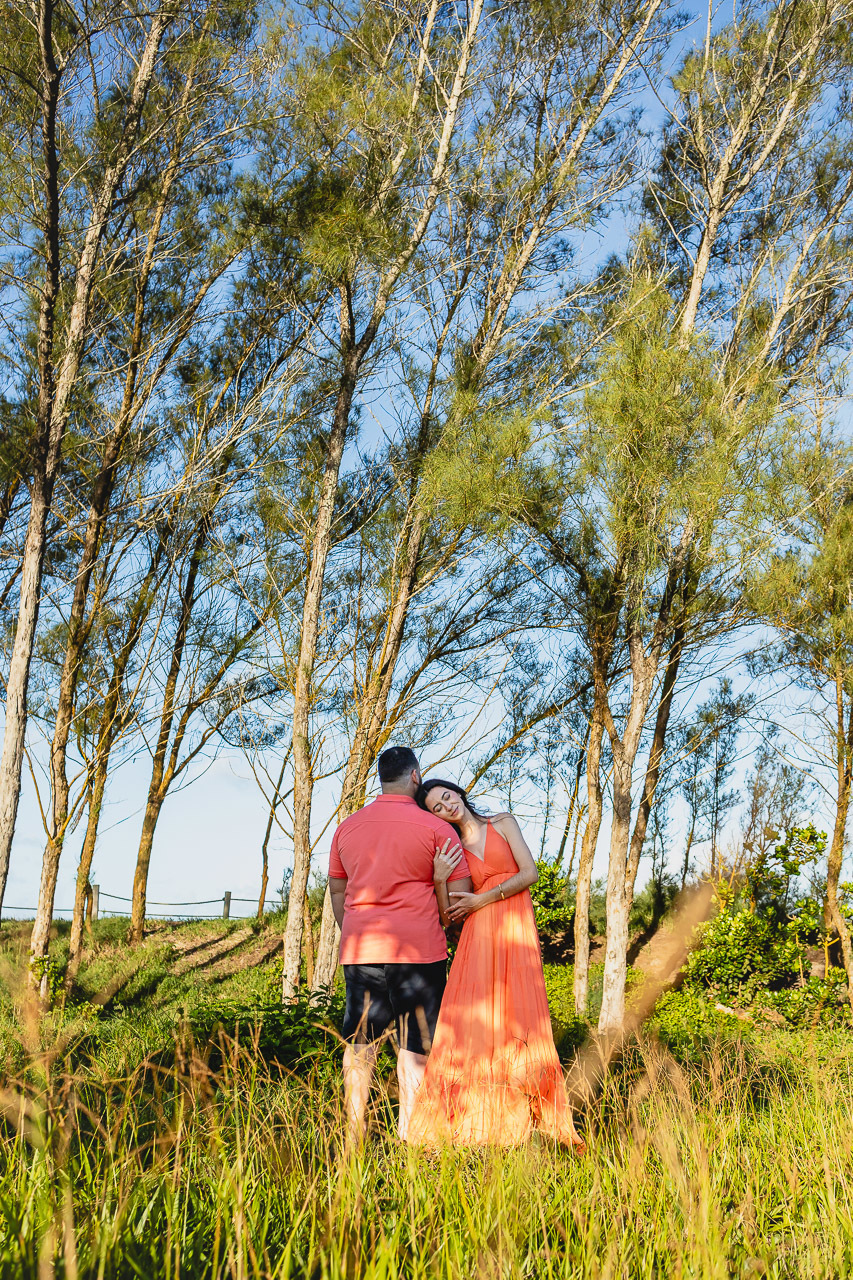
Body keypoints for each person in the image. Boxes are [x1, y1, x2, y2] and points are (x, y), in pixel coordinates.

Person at [407, 778, 585, 1150]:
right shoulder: (452, 847)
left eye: (446, 797)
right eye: (436, 808)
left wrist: (482, 898)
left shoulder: (502, 822)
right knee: (477, 1023)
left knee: (519, 1018)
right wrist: (440, 879)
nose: (445, 807)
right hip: (478, 940)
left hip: (515, 932)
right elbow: (449, 915)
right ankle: (476, 1119)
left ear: (457, 792)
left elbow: (529, 873)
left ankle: (528, 1114)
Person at [328, 746, 471, 1142]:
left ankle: (353, 1134)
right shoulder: (438, 829)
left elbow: (338, 893)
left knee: (360, 1044)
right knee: (414, 1045)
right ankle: (410, 1134)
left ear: (380, 778)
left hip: (361, 950)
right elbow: (457, 902)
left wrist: (354, 929)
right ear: (415, 776)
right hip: (419, 952)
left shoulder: (347, 827)